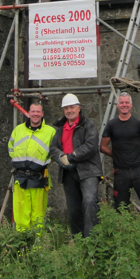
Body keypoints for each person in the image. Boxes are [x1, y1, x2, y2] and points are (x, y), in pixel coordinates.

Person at [100, 92, 140, 221]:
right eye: (122, 102)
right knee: (121, 208)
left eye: (127, 102)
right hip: (121, 172)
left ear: (131, 105)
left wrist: (137, 154)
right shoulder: (111, 125)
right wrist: (117, 156)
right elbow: (103, 147)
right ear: (117, 105)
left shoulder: (139, 123)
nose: (124, 105)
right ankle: (123, 237)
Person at [50, 93, 103, 238]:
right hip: (68, 173)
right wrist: (61, 158)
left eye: (72, 107)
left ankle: (92, 242)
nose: (69, 110)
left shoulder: (88, 125)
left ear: (78, 108)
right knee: (73, 209)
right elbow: (53, 148)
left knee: (89, 201)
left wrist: (71, 157)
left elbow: (91, 146)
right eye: (66, 108)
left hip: (88, 171)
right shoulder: (60, 128)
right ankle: (78, 243)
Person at [8, 102, 55, 231]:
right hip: (20, 178)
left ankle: (37, 249)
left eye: (38, 112)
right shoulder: (18, 130)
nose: (35, 114)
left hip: (39, 178)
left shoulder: (50, 132)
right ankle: (22, 249)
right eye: (33, 111)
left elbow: (55, 152)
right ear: (28, 113)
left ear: (42, 114)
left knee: (38, 217)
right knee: (21, 217)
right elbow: (10, 148)